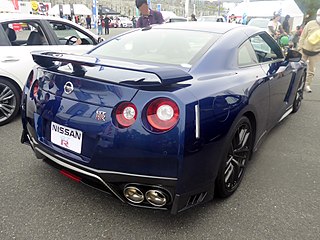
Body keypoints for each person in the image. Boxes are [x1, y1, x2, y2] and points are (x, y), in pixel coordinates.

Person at [298, 8, 320, 93]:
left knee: (311, 70)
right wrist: (300, 48)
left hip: (316, 53)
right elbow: (303, 36)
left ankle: (307, 84)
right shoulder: (310, 24)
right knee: (300, 67)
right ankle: (298, 82)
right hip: (304, 50)